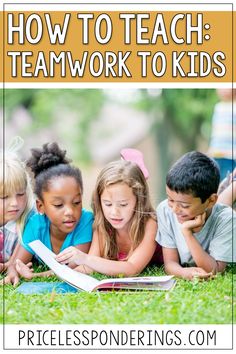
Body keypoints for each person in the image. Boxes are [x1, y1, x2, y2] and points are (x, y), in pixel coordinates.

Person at [56, 148, 163, 276]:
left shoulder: (149, 224)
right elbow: (89, 267)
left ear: (138, 200)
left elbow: (132, 268)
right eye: (107, 204)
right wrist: (57, 273)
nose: (114, 212)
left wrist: (85, 258)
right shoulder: (103, 224)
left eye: (123, 204)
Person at [3, 142, 93, 285]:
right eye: (58, 205)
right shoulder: (35, 224)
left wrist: (36, 276)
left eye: (76, 202)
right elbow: (17, 263)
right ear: (40, 206)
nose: (70, 211)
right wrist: (13, 272)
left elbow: (72, 268)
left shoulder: (86, 221)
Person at [156, 151, 236, 281]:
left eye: (184, 205)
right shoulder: (165, 210)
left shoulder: (227, 219)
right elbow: (170, 263)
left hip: (220, 212)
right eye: (170, 200)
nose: (175, 209)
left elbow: (215, 270)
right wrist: (183, 272)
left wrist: (187, 233)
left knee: (223, 209)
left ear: (210, 201)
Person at [0, 137, 35, 273]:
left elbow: (19, 262)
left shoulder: (30, 218)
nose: (15, 203)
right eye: (4, 197)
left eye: (20, 194)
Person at [208, 89, 236, 181]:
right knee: (218, 183)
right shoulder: (218, 107)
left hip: (231, 156)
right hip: (217, 154)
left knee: (229, 183)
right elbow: (215, 132)